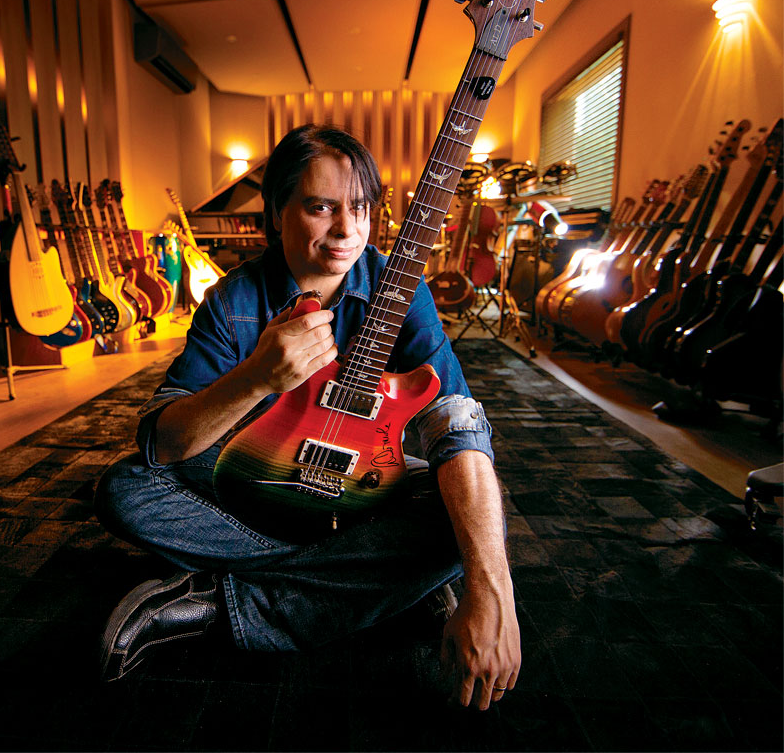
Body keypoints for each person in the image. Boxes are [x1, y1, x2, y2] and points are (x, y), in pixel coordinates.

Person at [94, 124, 521, 710]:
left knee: (472, 510)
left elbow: (457, 424)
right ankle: (383, 583)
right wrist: (256, 378)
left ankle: (213, 603)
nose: (346, 229)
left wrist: (495, 594)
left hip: (364, 484)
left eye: (360, 208)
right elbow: (162, 444)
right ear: (276, 212)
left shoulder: (401, 289)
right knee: (125, 490)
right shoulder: (232, 301)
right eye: (321, 207)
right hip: (259, 482)